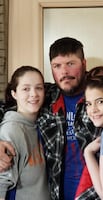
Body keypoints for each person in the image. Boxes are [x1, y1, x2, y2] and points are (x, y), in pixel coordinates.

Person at [0, 38, 103, 200]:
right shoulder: (44, 95)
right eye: (57, 66)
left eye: (70, 64)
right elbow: (7, 109)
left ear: (84, 63)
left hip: (97, 193)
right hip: (56, 195)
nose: (64, 72)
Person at [0, 66, 49, 200]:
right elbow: (1, 183)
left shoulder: (43, 124)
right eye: (26, 89)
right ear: (14, 93)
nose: (33, 94)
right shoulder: (12, 129)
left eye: (39, 88)